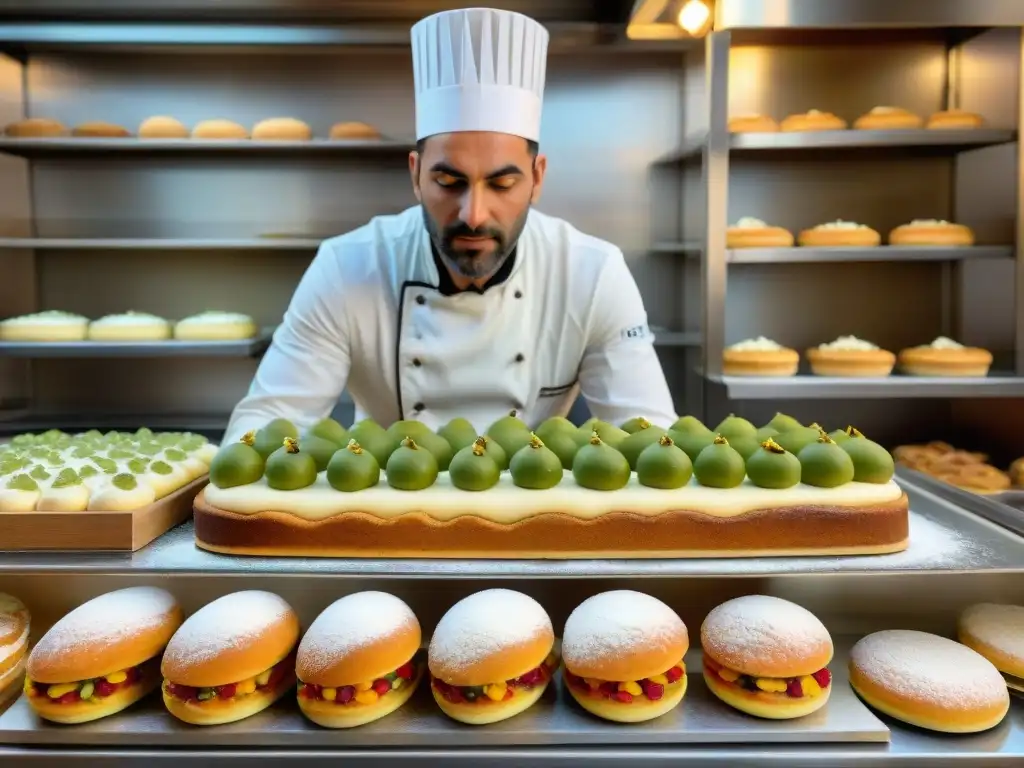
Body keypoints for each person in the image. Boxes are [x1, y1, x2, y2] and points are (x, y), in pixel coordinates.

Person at [224, 7, 676, 442]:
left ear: (536, 178)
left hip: (532, 512)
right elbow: (265, 426)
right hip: (388, 512)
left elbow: (652, 442)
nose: (473, 215)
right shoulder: (348, 268)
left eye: (501, 184)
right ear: (416, 175)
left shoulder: (592, 273)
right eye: (448, 181)